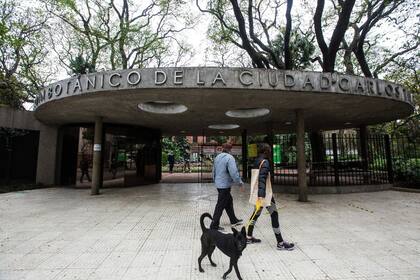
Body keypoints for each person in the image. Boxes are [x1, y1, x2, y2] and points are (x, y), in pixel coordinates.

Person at [246, 143, 295, 250]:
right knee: (274, 215)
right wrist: (261, 196)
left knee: (255, 214)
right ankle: (280, 243)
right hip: (265, 195)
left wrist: (259, 195)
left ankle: (248, 237)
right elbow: (262, 179)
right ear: (266, 151)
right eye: (269, 150)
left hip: (258, 194)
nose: (270, 152)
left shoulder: (256, 161)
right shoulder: (265, 162)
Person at [210, 143, 244, 231]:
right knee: (220, 205)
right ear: (230, 149)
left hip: (219, 184)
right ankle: (214, 225)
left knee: (228, 201)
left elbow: (213, 170)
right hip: (225, 185)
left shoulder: (217, 157)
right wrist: (239, 182)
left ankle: (233, 220)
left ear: (223, 149)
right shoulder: (230, 158)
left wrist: (215, 180)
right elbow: (233, 172)